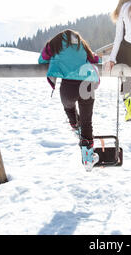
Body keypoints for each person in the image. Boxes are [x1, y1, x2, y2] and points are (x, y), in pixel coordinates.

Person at [38, 29, 101, 171]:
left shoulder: (54, 45)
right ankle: (88, 158)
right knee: (87, 122)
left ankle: (74, 125)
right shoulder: (82, 45)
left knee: (69, 107)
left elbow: (41, 60)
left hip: (68, 87)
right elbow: (94, 59)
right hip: (87, 85)